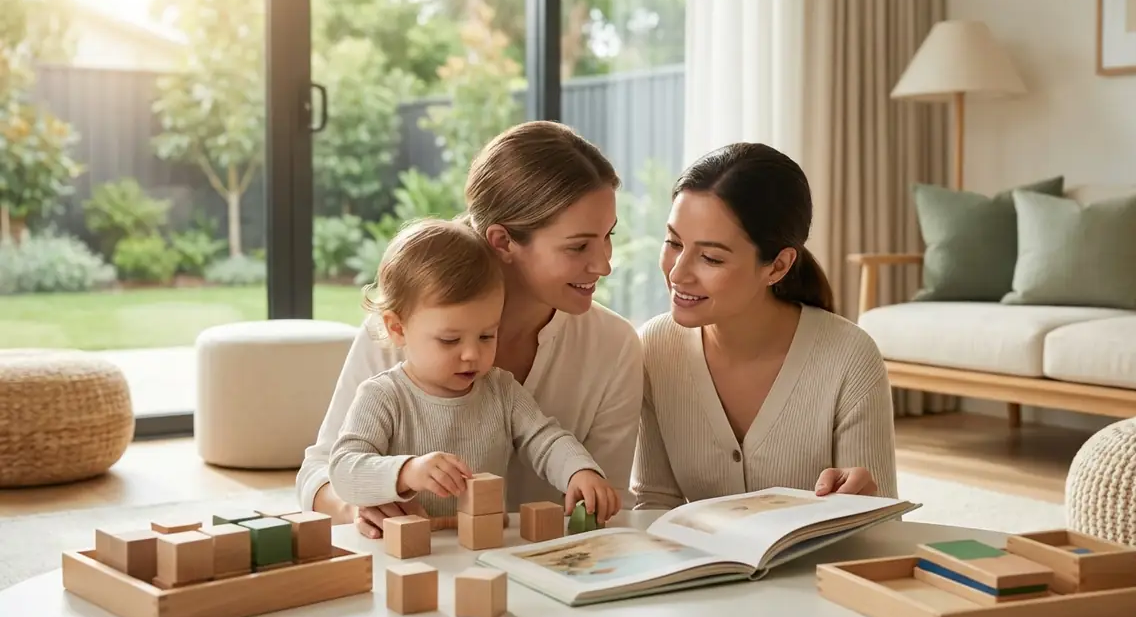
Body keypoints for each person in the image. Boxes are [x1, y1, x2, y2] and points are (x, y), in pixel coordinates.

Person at [298, 121, 643, 538]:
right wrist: (358, 509)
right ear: (502, 241)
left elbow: (606, 503)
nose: (604, 264)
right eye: (578, 246)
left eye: (608, 237)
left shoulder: (614, 346)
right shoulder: (405, 328)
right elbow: (320, 472)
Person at [629, 142, 898, 511]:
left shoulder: (849, 357)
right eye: (673, 242)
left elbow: (878, 527)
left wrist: (865, 505)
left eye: (710, 257)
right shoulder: (655, 348)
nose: (677, 272)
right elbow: (654, 503)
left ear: (777, 266)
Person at [327, 219, 621, 524]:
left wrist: (579, 470)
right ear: (397, 328)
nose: (472, 354)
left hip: (484, 547)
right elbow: (344, 469)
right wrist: (407, 472)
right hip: (408, 553)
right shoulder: (383, 395)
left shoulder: (501, 390)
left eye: (486, 336)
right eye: (450, 340)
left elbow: (546, 439)